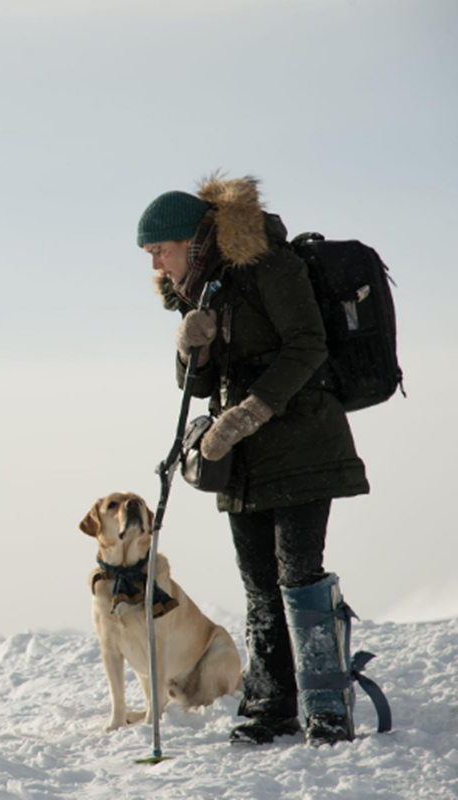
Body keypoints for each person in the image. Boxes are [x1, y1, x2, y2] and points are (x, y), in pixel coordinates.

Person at [136, 174, 370, 746]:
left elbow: (307, 346)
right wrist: (190, 348)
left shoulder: (269, 266)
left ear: (190, 240)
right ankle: (270, 706)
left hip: (302, 447)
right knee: (260, 583)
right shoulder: (205, 289)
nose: (157, 266)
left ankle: (327, 707)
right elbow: (202, 385)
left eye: (159, 252)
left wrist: (248, 413)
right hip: (242, 461)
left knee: (298, 576)